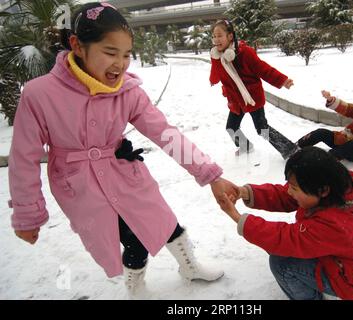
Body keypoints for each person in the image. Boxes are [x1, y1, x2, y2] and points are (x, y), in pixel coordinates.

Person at [8, 2, 238, 299]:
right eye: (110, 52)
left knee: (163, 218)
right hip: (78, 186)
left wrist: (210, 175)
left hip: (123, 171)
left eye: (127, 54)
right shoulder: (40, 95)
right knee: (133, 237)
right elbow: (23, 158)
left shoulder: (127, 91)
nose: (120, 63)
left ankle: (188, 265)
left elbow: (166, 134)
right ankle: (136, 285)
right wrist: (28, 215)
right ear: (78, 46)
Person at [218, 147, 353, 300]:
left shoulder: (334, 224)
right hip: (343, 259)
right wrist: (244, 192)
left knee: (282, 262)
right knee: (282, 248)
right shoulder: (332, 190)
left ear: (323, 190)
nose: (289, 191)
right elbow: (284, 196)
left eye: (294, 188)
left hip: (349, 279)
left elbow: (286, 238)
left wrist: (237, 217)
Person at [209, 20, 297, 159]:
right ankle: (245, 146)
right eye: (213, 36)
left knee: (262, 129)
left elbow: (263, 69)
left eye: (219, 35)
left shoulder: (245, 52)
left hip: (252, 98)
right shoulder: (219, 57)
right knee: (231, 127)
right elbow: (215, 76)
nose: (216, 39)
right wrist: (214, 66)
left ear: (230, 36)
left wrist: (282, 80)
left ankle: (289, 149)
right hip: (236, 100)